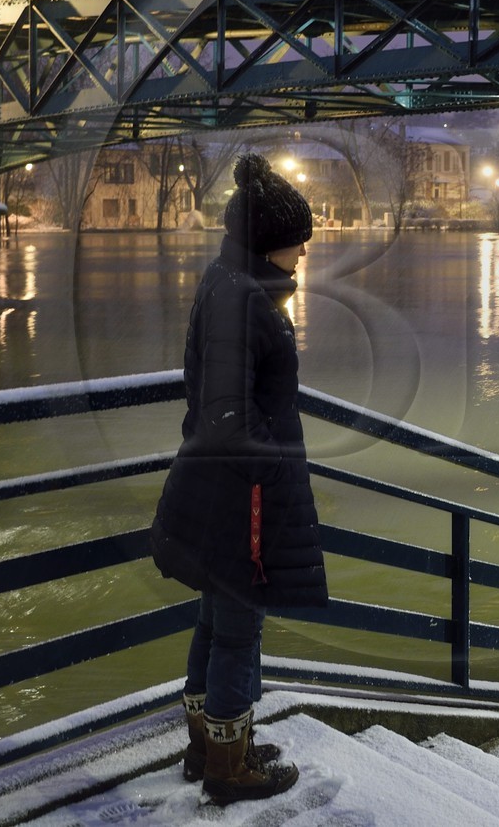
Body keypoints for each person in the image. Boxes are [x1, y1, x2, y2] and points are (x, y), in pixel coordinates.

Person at [149, 153, 327, 807]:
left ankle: (210, 746)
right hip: (239, 501)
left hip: (214, 490)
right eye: (296, 241)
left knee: (215, 621)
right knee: (239, 630)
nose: (304, 251)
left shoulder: (227, 284)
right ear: (267, 243)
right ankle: (231, 767)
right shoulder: (246, 303)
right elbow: (231, 415)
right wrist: (267, 481)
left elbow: (210, 403)